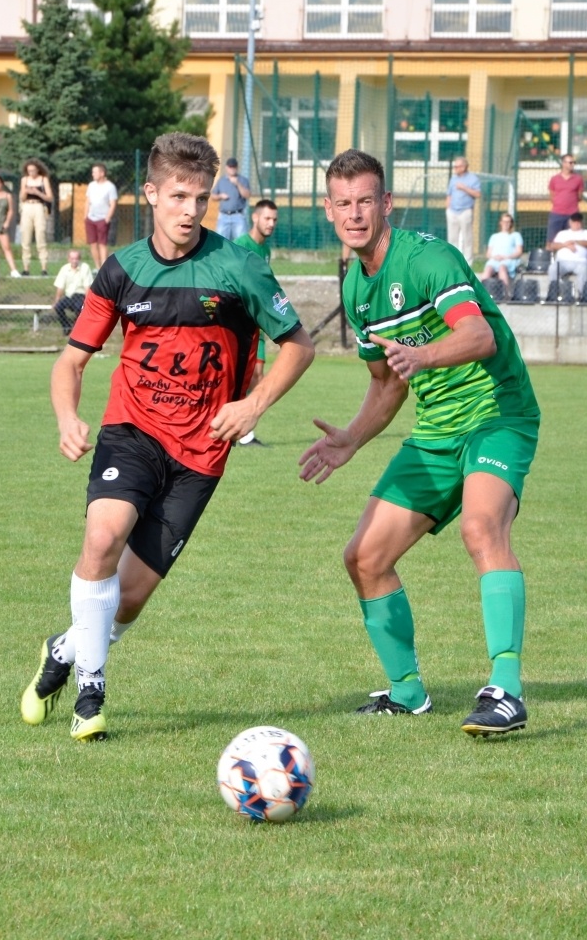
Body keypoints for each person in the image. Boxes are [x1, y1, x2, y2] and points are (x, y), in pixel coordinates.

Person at [19, 132, 316, 742]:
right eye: (179, 196)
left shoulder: (239, 267)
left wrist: (253, 404)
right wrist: (67, 418)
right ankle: (91, 692)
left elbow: (298, 345)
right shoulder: (123, 268)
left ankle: (65, 648)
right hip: (131, 431)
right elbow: (71, 361)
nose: (190, 210)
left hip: (202, 452)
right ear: (151, 194)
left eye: (201, 198)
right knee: (103, 537)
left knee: (128, 600)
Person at [298, 148, 542, 736]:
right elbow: (387, 384)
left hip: (497, 414)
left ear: (386, 203)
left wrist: (424, 355)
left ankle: (506, 689)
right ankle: (407, 692)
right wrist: (351, 439)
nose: (355, 214)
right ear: (329, 210)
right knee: (364, 557)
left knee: (481, 528)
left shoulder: (429, 258)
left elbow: (479, 335)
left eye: (365, 201)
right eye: (343, 204)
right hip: (435, 431)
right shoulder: (356, 289)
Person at [233, 198, 279, 447]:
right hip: (240, 324)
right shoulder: (241, 246)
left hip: (256, 324)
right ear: (255, 217)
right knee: (246, 377)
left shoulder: (265, 250)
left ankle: (242, 431)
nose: (271, 223)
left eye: (274, 219)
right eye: (267, 218)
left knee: (257, 376)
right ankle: (238, 430)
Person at [17, 158, 54, 275]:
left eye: (33, 170)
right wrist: (25, 191)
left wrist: (37, 193)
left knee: (40, 235)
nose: (31, 173)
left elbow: (50, 197)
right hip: (27, 207)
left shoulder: (43, 179)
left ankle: (44, 267)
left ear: (38, 170)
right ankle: (26, 267)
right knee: (25, 237)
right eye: (29, 171)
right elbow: (22, 198)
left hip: (39, 207)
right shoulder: (24, 180)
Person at [545, 211, 587, 298]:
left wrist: (574, 241)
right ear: (570, 222)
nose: (576, 224)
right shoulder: (562, 233)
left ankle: (582, 295)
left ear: (582, 222)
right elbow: (553, 245)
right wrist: (565, 245)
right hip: (562, 262)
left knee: (583, 271)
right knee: (553, 268)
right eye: (574, 221)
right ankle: (555, 292)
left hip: (580, 262)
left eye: (578, 221)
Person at [51, 247, 95, 334]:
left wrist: (87, 301)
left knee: (79, 307)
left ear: (79, 259)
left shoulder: (85, 268)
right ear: (68, 259)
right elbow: (60, 286)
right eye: (72, 258)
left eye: (76, 258)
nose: (74, 261)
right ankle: (66, 326)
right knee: (58, 307)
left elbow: (87, 287)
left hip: (81, 295)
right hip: (69, 296)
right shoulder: (64, 269)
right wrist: (56, 300)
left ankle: (77, 327)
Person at [446, 156, 481, 261]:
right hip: (452, 211)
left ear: (464, 167)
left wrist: (464, 188)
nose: (455, 168)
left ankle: (468, 261)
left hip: (465, 211)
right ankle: (453, 260)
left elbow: (478, 194)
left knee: (467, 237)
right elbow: (449, 194)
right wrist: (448, 208)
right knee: (452, 238)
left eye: (457, 166)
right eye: (455, 166)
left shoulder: (473, 179)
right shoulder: (453, 179)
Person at [84, 162, 118, 269]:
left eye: (95, 172)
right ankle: (97, 267)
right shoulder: (91, 185)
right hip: (91, 218)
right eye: (92, 172)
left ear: (102, 173)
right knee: (93, 244)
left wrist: (107, 218)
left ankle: (104, 268)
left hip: (102, 219)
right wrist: (85, 216)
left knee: (102, 244)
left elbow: (113, 203)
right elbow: (87, 201)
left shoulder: (110, 187)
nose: (93, 174)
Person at [480, 212, 524, 294]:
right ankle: (481, 294)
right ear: (500, 223)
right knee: (488, 269)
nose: (506, 224)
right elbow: (488, 253)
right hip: (494, 260)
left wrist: (507, 257)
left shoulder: (516, 235)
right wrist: (494, 257)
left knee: (502, 268)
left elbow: (519, 251)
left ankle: (505, 294)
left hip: (508, 260)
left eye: (508, 222)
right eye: (504, 221)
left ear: (511, 223)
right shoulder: (494, 236)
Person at [211, 157, 252, 241]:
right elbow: (213, 196)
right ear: (226, 168)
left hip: (238, 215)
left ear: (237, 167)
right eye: (230, 167)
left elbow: (247, 195)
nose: (232, 169)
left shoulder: (243, 180)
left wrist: (238, 184)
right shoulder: (222, 180)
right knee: (221, 241)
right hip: (224, 216)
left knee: (241, 241)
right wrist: (220, 196)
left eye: (234, 167)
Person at [548, 153, 585, 241]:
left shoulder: (578, 179)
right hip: (557, 213)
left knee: (572, 240)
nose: (573, 165)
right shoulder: (554, 179)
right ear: (564, 163)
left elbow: (579, 196)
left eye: (574, 162)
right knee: (551, 240)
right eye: (570, 162)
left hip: (572, 214)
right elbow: (552, 196)